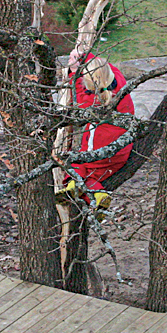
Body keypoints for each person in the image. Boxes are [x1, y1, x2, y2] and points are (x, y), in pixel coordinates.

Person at [59, 51, 136, 212]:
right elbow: (106, 67)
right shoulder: (119, 81)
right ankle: (96, 198)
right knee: (93, 172)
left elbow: (77, 96)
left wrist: (74, 72)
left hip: (102, 152)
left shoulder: (91, 102)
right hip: (122, 149)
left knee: (78, 164)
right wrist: (86, 55)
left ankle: (83, 189)